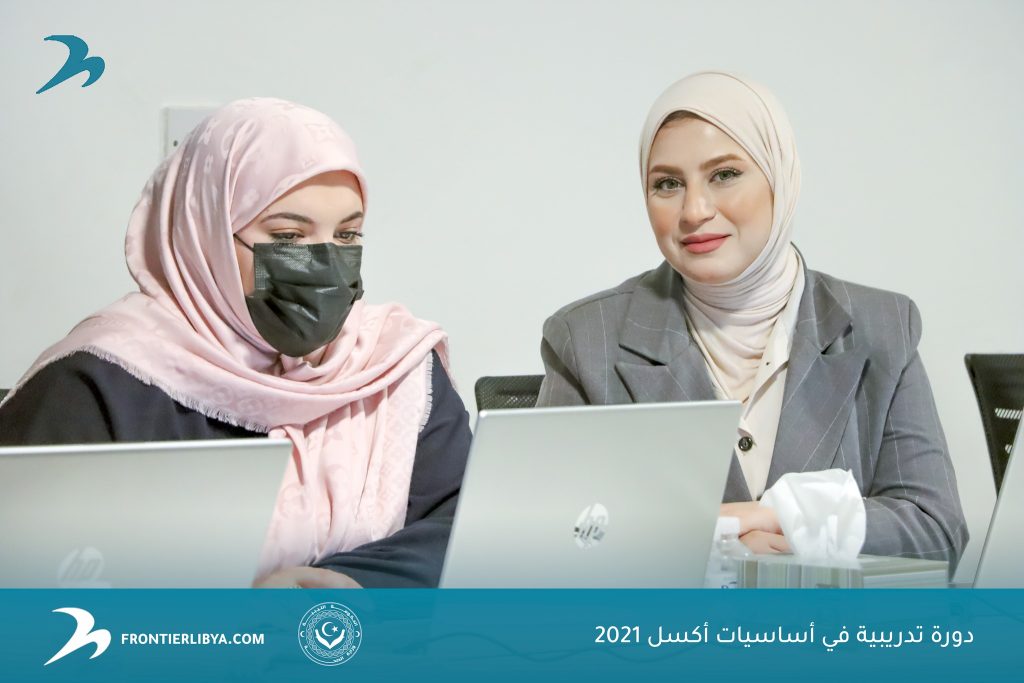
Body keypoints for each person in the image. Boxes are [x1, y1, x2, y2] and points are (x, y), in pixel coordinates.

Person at [0, 98, 471, 588]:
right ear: (208, 238)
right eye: (289, 236)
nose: (327, 265)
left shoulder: (393, 367)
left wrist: (346, 584)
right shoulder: (101, 382)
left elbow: (461, 523)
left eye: (348, 236)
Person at [535, 72, 968, 567]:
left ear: (780, 177)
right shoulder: (587, 339)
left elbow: (936, 530)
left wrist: (783, 519)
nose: (694, 211)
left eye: (724, 174)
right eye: (667, 184)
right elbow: (548, 537)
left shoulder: (882, 325)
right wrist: (724, 542)